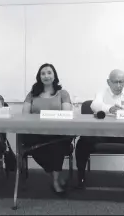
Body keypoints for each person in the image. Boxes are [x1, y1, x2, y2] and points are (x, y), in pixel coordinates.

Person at [75, 69, 124, 190]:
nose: (118, 85)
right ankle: (80, 177)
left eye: (121, 82)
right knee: (83, 142)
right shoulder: (101, 93)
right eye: (115, 82)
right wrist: (110, 108)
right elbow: (94, 105)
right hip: (103, 133)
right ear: (108, 82)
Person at [21, 63, 74, 196]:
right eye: (43, 73)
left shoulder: (62, 93)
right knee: (30, 144)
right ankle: (55, 176)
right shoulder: (32, 94)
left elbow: (67, 114)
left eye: (49, 73)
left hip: (57, 134)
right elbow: (25, 115)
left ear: (54, 75)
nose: (46, 76)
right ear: (39, 77)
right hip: (36, 133)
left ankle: (55, 181)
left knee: (58, 146)